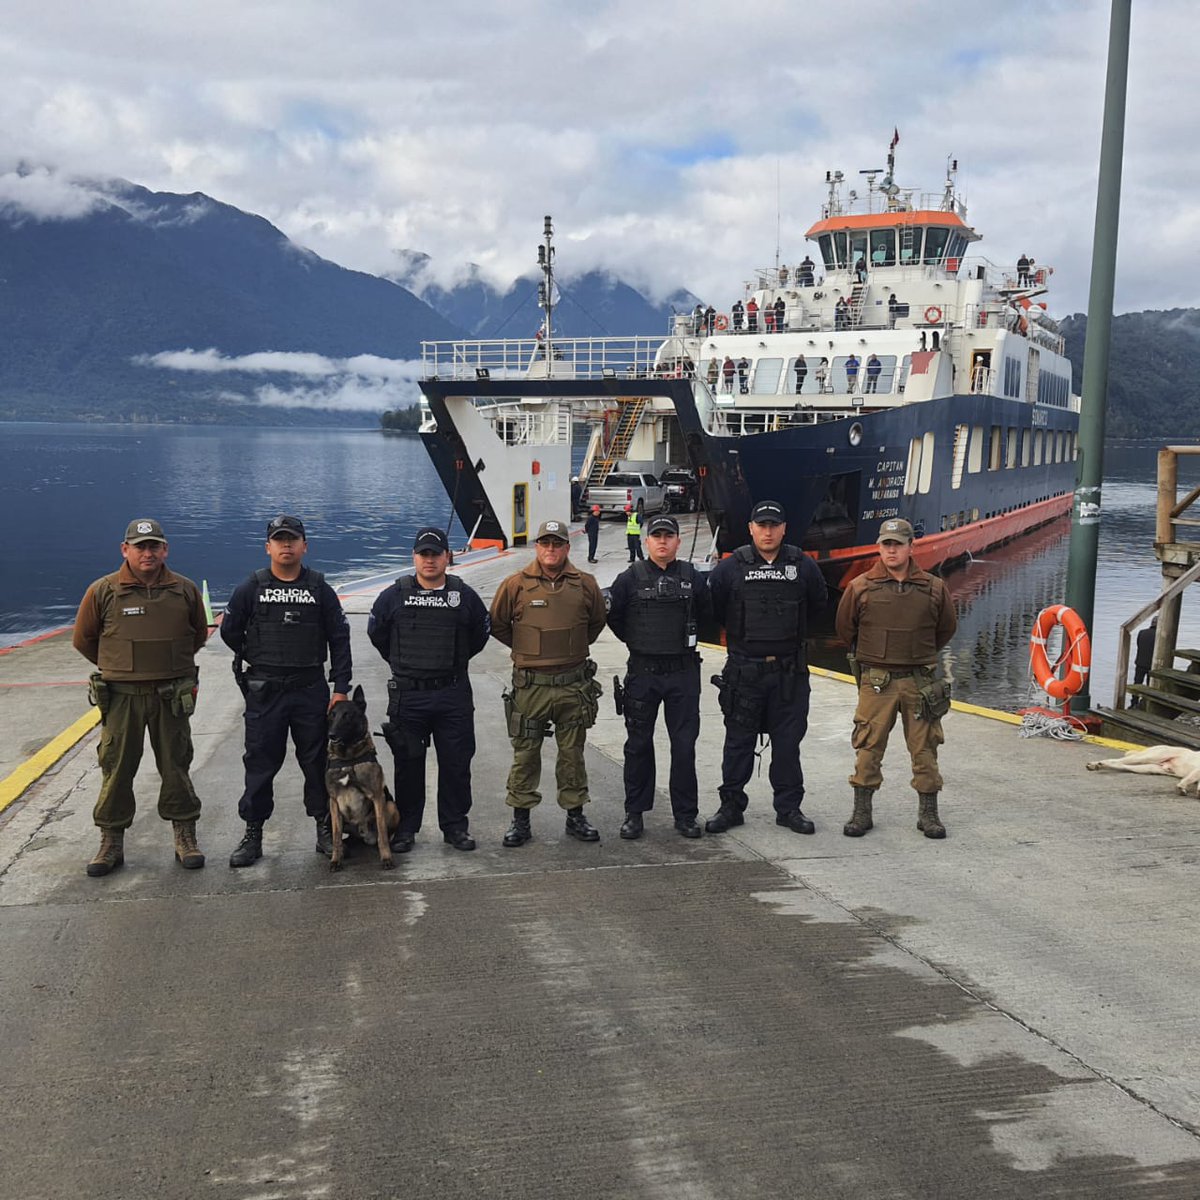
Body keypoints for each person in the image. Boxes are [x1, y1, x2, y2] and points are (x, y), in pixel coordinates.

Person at [73, 518, 209, 876]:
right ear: (125, 550)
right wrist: (118, 667)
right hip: (122, 697)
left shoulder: (184, 590)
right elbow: (84, 640)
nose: (147, 553)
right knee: (116, 768)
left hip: (170, 696)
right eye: (139, 546)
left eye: (154, 546)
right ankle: (110, 842)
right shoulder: (103, 590)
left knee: (176, 766)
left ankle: (185, 835)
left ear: (165, 550)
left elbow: (198, 634)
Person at [221, 515, 352, 867]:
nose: (286, 545)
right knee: (260, 764)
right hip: (266, 692)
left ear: (304, 546)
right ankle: (253, 833)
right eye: (279, 540)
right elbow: (230, 632)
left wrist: (341, 687)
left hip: (310, 690)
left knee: (316, 763)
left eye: (293, 539)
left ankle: (326, 828)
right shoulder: (251, 588)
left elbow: (339, 639)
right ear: (268, 547)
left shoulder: (320, 589)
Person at [705, 501, 828, 836]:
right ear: (751, 528)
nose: (768, 531)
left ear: (784, 528)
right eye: (762, 525)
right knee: (738, 742)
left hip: (789, 675)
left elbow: (817, 606)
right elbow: (715, 609)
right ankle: (730, 805)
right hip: (744, 673)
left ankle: (788, 808)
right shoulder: (730, 568)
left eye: (774, 525)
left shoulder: (802, 565)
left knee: (788, 744)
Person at [367, 526, 491, 854]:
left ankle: (455, 827)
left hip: (452, 693)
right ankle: (406, 829)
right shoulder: (393, 595)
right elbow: (378, 634)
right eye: (424, 554)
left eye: (436, 554)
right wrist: (405, 665)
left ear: (447, 557)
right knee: (408, 764)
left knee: (456, 763)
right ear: (414, 558)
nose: (430, 560)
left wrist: (452, 663)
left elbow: (480, 634)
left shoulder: (464, 596)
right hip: (410, 695)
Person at [836, 518, 957, 840]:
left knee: (925, 749)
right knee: (868, 747)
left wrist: (918, 654)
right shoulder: (860, 587)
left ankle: (928, 814)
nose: (891, 551)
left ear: (909, 547)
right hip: (877, 681)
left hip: (921, 681)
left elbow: (945, 628)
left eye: (897, 544)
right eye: (886, 545)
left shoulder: (933, 588)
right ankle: (862, 812)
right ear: (879, 547)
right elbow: (845, 629)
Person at [489, 519, 607, 846]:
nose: (551, 549)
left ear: (567, 547)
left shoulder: (585, 584)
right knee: (526, 753)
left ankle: (575, 815)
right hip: (531, 687)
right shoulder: (515, 584)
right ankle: (520, 820)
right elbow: (498, 624)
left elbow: (596, 623)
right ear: (537, 547)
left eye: (557, 543)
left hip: (574, 686)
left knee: (572, 754)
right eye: (545, 543)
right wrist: (528, 649)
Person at [607, 515, 708, 840]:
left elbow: (708, 614)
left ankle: (685, 815)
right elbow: (615, 618)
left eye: (669, 536)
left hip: (683, 672)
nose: (662, 541)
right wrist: (639, 642)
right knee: (637, 745)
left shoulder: (693, 576)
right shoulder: (629, 578)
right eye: (657, 536)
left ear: (678, 541)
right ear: (647, 541)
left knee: (684, 747)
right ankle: (634, 814)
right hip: (643, 673)